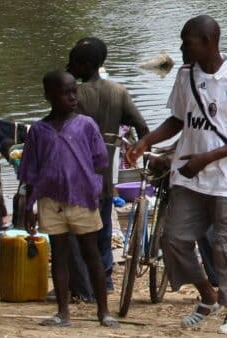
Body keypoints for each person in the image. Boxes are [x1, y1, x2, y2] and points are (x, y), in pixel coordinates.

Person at [125, 15, 227, 336]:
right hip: (188, 177)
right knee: (173, 239)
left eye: (186, 43)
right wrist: (147, 141)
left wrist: (206, 159)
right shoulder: (185, 74)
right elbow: (178, 119)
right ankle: (207, 296)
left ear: (207, 42)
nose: (181, 49)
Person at [18, 71, 119, 328]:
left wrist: (93, 187)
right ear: (49, 96)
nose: (73, 97)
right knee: (59, 255)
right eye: (66, 93)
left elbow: (100, 160)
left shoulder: (86, 125)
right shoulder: (38, 131)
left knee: (91, 254)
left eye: (75, 91)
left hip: (82, 199)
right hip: (50, 201)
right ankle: (63, 312)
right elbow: (30, 170)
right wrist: (29, 206)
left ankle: (104, 311)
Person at [66, 37, 150, 295]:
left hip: (76, 174)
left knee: (76, 230)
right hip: (104, 176)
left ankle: (83, 284)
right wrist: (139, 152)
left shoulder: (73, 94)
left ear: (86, 65)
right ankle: (105, 280)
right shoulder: (118, 91)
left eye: (73, 63)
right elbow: (142, 127)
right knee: (102, 226)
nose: (70, 67)